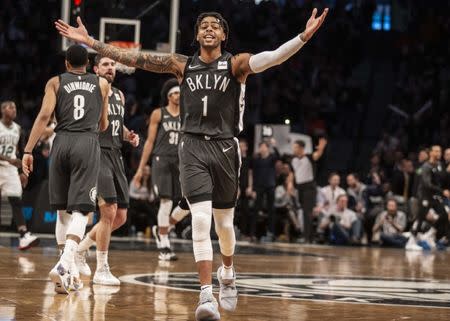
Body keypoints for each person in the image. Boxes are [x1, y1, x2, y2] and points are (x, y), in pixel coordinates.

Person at [55, 8, 328, 320]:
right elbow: (134, 58)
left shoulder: (236, 64)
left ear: (224, 36)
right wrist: (90, 41)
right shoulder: (181, 64)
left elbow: (274, 57)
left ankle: (227, 271)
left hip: (225, 148)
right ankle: (205, 296)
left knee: (224, 226)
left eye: (215, 26)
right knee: (199, 220)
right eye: (203, 26)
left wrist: (303, 37)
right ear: (197, 36)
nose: (209, 29)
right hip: (192, 146)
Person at [22, 44, 109, 294]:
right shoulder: (102, 84)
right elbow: (103, 125)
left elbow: (44, 116)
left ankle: (66, 268)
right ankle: (65, 264)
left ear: (67, 64)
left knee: (62, 210)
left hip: (61, 142)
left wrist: (28, 150)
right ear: (88, 63)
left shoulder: (55, 82)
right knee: (82, 210)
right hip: (86, 142)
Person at [74, 55, 140, 286]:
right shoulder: (92, 91)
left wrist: (128, 135)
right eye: (105, 64)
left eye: (113, 64)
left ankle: (80, 249)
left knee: (120, 217)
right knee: (108, 211)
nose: (110, 68)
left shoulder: (120, 95)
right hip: (98, 152)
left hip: (116, 155)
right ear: (95, 69)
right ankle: (101, 268)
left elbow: (115, 124)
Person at [132, 79, 190, 261]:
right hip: (161, 160)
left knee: (188, 202)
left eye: (179, 93)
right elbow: (149, 142)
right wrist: (141, 169)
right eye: (173, 93)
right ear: (168, 96)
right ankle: (164, 244)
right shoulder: (159, 114)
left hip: (180, 161)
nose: (177, 96)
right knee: (165, 202)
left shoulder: (187, 115)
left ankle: (164, 228)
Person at [0, 101, 39, 250]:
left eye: (15, 107)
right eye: (10, 107)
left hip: (10, 170)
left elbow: (20, 151)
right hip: (3, 165)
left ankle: (23, 235)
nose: (14, 110)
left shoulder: (18, 129)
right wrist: (9, 159)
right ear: (3, 110)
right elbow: (12, 157)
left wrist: (23, 171)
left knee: (16, 200)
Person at [291, 138, 327, 242]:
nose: (294, 149)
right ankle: (308, 235)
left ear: (301, 148)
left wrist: (321, 147)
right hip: (299, 188)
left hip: (309, 187)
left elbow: (317, 155)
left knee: (308, 212)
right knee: (303, 211)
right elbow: (293, 173)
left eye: (296, 147)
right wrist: (290, 184)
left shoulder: (309, 157)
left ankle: (307, 237)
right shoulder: (293, 159)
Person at [250, 139, 279, 241]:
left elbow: (278, 156)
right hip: (259, 186)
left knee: (271, 210)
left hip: (270, 186)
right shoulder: (256, 159)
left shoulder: (272, 158)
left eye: (264, 146)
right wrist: (252, 188)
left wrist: (274, 146)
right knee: (256, 209)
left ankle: (271, 232)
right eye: (260, 147)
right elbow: (253, 174)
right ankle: (253, 233)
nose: (262, 148)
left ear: (267, 148)